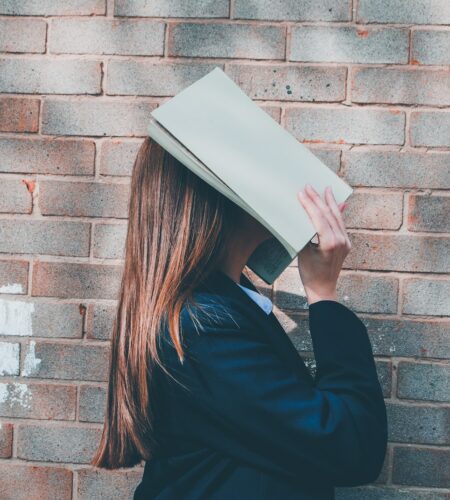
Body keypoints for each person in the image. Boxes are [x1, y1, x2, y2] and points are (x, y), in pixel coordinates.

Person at [92, 136, 388, 499]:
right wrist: (323, 295)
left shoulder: (219, 310)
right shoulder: (203, 327)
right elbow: (351, 446)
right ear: (217, 197)